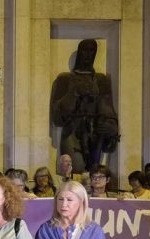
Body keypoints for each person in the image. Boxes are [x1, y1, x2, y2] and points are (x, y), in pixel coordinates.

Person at [51, 39, 120, 173]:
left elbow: (107, 107)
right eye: (85, 51)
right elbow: (57, 115)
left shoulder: (101, 80)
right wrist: (73, 92)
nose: (88, 55)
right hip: (72, 129)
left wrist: (111, 124)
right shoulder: (64, 79)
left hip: (94, 131)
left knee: (95, 172)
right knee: (74, 169)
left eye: (92, 51)